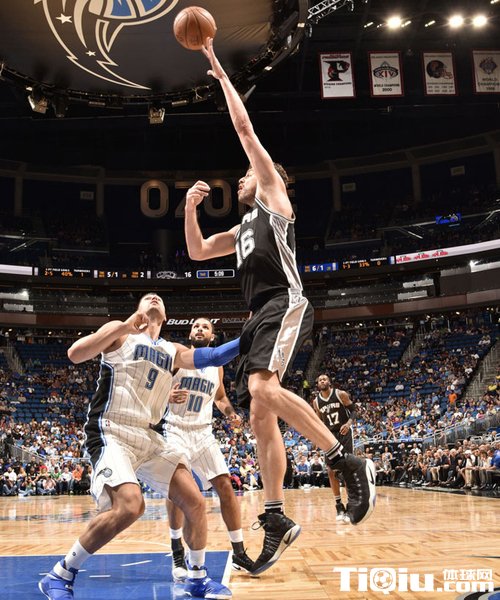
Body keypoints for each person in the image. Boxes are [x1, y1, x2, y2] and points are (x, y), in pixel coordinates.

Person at [183, 38, 376, 576]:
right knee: (258, 413)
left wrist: (221, 71)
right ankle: (274, 515)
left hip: (283, 302)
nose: (241, 177)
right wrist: (190, 209)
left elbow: (246, 133)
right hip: (258, 315)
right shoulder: (242, 227)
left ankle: (343, 458)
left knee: (263, 390)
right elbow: (197, 251)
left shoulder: (272, 196)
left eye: (247, 173)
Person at [39, 293, 239, 600]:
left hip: (149, 435)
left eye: (159, 298)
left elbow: (212, 357)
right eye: (148, 297)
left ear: (166, 316)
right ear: (139, 309)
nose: (154, 297)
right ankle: (60, 574)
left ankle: (197, 578)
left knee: (195, 501)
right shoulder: (121, 333)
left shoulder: (173, 351)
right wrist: (123, 327)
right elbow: (75, 354)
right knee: (131, 505)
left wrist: (248, 339)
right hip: (112, 429)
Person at [154, 317, 254, 581]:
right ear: (190, 334)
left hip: (203, 432)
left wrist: (230, 413)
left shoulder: (216, 366)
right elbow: (152, 388)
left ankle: (239, 552)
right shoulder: (178, 356)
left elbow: (219, 397)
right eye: (196, 326)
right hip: (176, 430)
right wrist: (166, 396)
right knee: (178, 491)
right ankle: (177, 549)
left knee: (225, 486)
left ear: (212, 336)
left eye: (205, 327)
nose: (199, 329)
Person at [312, 374, 356, 522]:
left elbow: (354, 410)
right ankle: (339, 506)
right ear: (318, 384)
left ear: (329, 382)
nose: (322, 381)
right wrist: (316, 438)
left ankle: (351, 505)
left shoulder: (340, 394)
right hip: (329, 436)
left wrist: (348, 424)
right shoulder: (316, 402)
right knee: (331, 471)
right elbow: (318, 421)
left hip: (344, 433)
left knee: (347, 469)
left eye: (324, 379)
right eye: (320, 380)